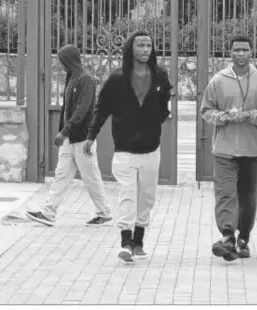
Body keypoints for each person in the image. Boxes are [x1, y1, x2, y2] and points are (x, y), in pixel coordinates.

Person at [84, 30, 172, 263]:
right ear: (131, 48)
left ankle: (139, 241)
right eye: (140, 45)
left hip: (151, 149)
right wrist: (91, 136)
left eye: (149, 45)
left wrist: (154, 121)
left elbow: (164, 106)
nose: (145, 49)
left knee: (147, 197)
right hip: (124, 149)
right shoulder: (117, 78)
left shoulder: (161, 76)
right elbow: (102, 109)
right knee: (127, 194)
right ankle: (125, 242)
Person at [200, 35, 257, 262]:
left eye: (245, 50)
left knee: (249, 197)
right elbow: (206, 110)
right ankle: (227, 236)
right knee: (224, 194)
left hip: (252, 149)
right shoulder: (218, 81)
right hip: (224, 149)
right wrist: (222, 117)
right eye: (236, 50)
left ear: (252, 53)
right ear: (229, 53)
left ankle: (244, 239)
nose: (241, 54)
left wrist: (252, 116)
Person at [26, 45, 112, 228]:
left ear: (70, 60)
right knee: (61, 175)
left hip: (82, 138)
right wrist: (64, 133)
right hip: (69, 138)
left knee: (90, 176)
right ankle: (48, 213)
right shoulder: (72, 77)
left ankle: (103, 213)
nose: (61, 65)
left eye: (63, 61)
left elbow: (81, 111)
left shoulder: (85, 80)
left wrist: (64, 131)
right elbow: (67, 108)